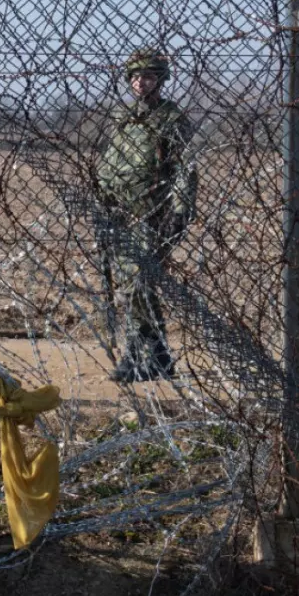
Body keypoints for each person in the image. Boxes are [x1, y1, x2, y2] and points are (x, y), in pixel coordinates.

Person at [96, 48, 197, 383]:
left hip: (152, 213)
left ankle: (135, 353)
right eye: (136, 77)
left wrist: (180, 210)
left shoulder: (170, 118)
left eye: (149, 77)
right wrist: (101, 197)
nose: (141, 83)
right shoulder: (122, 116)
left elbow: (184, 167)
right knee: (131, 283)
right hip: (119, 212)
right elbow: (110, 160)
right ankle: (159, 355)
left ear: (160, 80)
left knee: (138, 282)